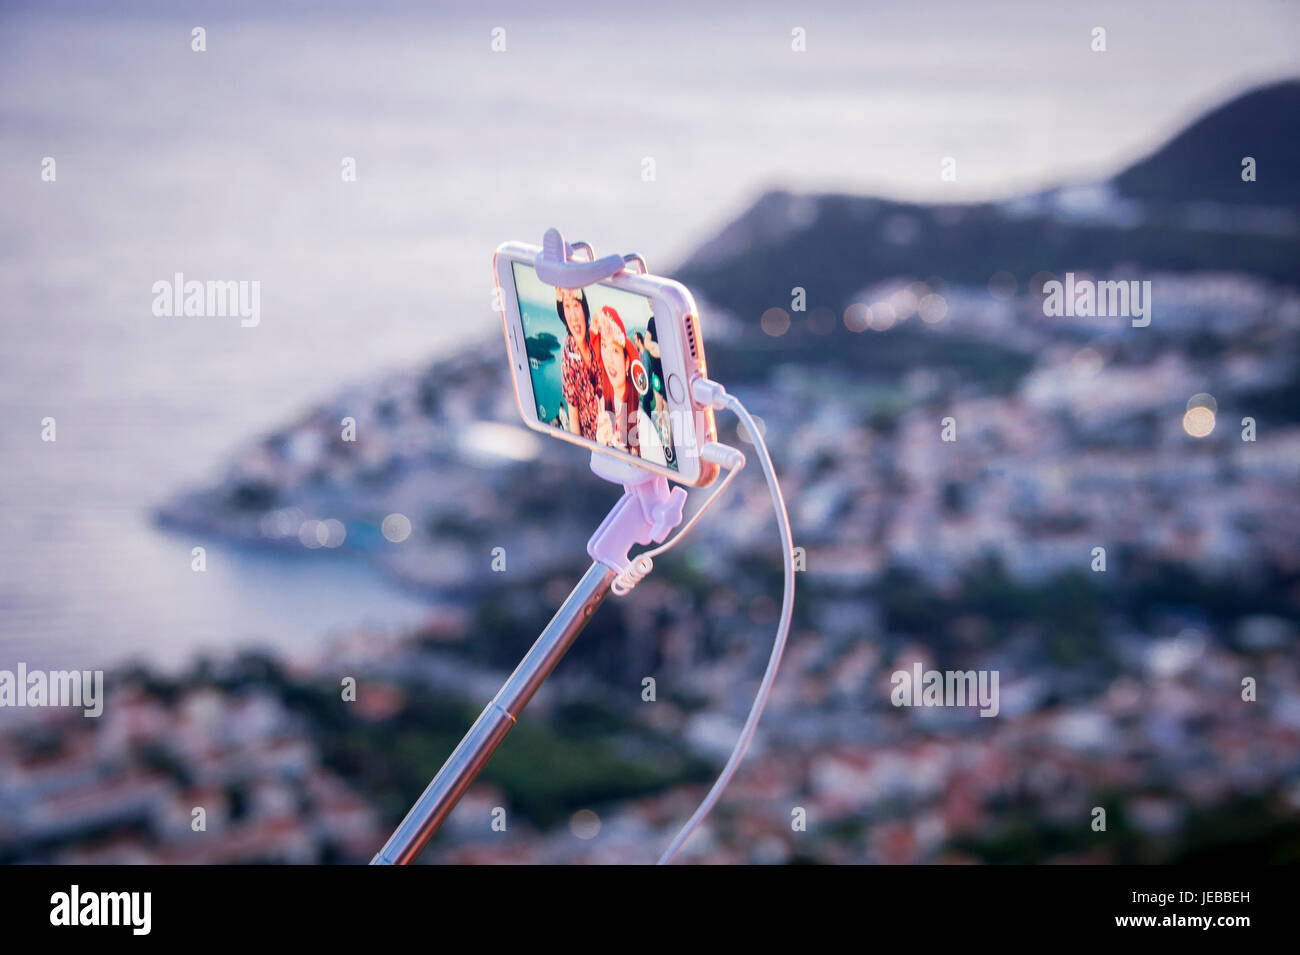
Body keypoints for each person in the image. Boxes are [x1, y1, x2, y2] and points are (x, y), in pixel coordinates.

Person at [590, 305, 667, 466]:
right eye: (604, 346)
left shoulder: (642, 424)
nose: (608, 358)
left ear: (627, 363)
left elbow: (658, 469)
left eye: (616, 351)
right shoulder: (602, 405)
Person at [555, 287, 602, 440]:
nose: (573, 316)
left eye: (576, 305)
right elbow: (573, 415)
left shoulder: (598, 337)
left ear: (584, 308)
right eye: (567, 307)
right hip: (591, 442)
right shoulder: (568, 352)